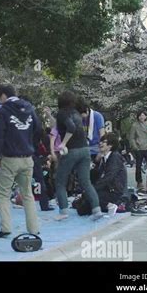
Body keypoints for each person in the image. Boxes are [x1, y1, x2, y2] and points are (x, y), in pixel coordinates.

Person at [0, 85, 41, 238]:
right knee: (27, 194)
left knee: (3, 194)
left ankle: (6, 228)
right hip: (27, 158)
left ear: (3, 95)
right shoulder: (30, 109)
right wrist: (30, 145)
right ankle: (34, 229)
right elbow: (38, 130)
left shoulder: (3, 111)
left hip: (10, 159)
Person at [54, 90, 104, 221]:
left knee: (60, 181)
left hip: (71, 150)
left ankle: (63, 211)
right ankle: (96, 209)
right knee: (85, 182)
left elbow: (70, 128)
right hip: (85, 150)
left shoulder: (62, 113)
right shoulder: (76, 113)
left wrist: (63, 143)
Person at [91, 133, 127, 216]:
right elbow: (95, 176)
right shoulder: (104, 158)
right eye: (100, 142)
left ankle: (111, 205)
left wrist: (93, 189)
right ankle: (107, 205)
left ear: (110, 145)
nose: (100, 144)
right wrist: (96, 162)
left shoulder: (115, 157)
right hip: (107, 189)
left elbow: (108, 177)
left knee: (90, 197)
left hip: (115, 192)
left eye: (104, 142)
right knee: (83, 204)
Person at [129, 110, 147, 191]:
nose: (142, 117)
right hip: (138, 148)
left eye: (143, 115)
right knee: (138, 166)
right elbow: (132, 137)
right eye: (140, 115)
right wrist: (135, 147)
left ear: (146, 117)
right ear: (138, 117)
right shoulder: (134, 125)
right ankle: (139, 182)